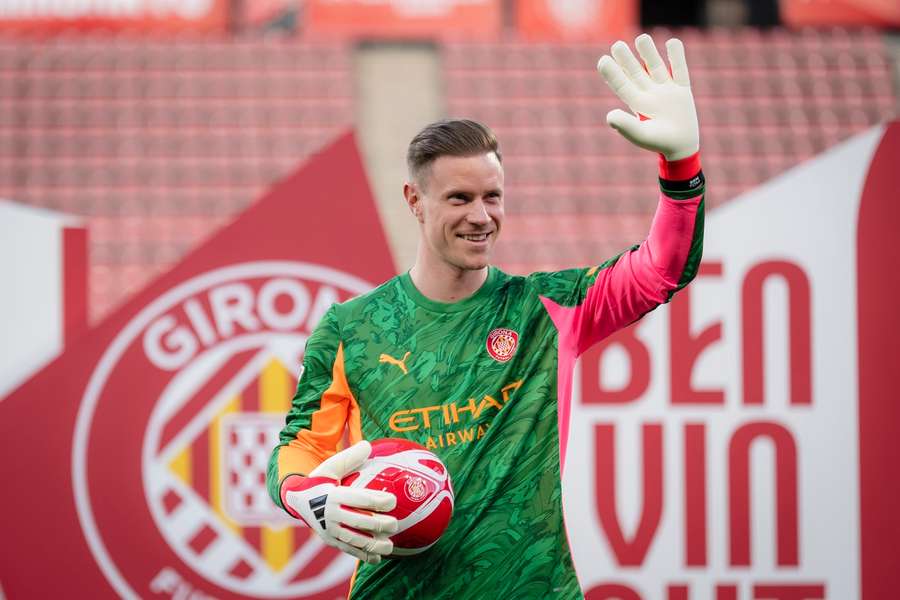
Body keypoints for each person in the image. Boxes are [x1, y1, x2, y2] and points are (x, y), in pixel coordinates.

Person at [267, 33, 705, 599]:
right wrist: (307, 494)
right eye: (459, 198)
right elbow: (300, 443)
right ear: (413, 199)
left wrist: (682, 167)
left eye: (492, 197)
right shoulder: (351, 329)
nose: (481, 216)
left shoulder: (547, 307)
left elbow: (662, 270)